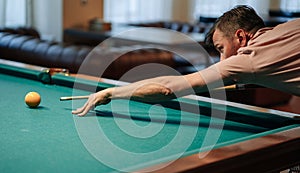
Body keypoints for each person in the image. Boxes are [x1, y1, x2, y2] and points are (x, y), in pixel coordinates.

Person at [72, 5, 300, 116]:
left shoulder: (249, 59)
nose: (222, 59)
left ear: (241, 36)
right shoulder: (288, 28)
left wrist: (110, 92)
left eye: (222, 49)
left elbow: (167, 89)